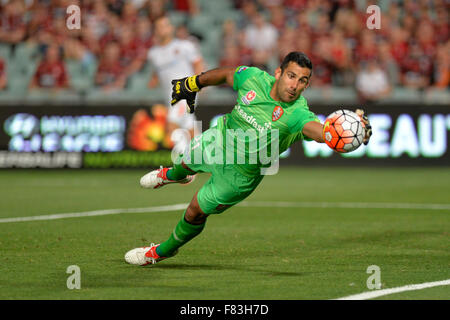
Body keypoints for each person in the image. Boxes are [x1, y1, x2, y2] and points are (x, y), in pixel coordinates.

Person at [125, 51, 372, 266]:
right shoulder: (253, 77)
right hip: (220, 139)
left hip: (239, 176)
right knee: (184, 163)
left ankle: (161, 252)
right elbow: (227, 75)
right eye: (291, 76)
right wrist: (193, 83)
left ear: (307, 85)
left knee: (195, 212)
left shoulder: (298, 115)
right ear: (278, 73)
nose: (295, 85)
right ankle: (170, 175)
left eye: (303, 81)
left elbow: (323, 134)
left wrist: (351, 133)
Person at [147, 15, 205, 147]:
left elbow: (198, 63)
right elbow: (156, 74)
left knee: (172, 124)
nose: (164, 29)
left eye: (166, 25)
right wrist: (153, 82)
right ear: (155, 31)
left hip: (186, 91)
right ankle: (204, 159)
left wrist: (200, 84)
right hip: (170, 96)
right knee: (189, 126)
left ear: (171, 28)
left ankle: (182, 163)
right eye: (160, 27)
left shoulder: (185, 46)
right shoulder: (153, 54)